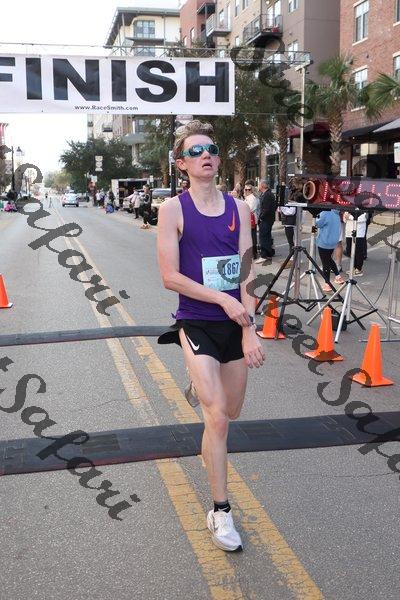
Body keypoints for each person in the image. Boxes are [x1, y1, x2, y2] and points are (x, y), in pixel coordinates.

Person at [157, 119, 265, 552]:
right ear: (182, 164)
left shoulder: (238, 208)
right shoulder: (173, 210)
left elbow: (247, 272)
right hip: (197, 320)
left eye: (212, 150)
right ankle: (221, 511)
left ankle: (201, 383)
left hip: (235, 324)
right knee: (217, 416)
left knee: (231, 410)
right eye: (195, 151)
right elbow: (169, 276)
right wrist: (222, 300)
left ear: (219, 160)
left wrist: (249, 329)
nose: (206, 155)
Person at [316, 209, 345, 292]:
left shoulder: (324, 213)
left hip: (324, 241)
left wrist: (316, 217)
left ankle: (327, 284)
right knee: (328, 259)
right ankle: (338, 276)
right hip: (333, 241)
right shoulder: (336, 214)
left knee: (325, 263)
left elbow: (318, 224)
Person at [255, 180, 276, 265]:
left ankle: (263, 255)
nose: (258, 186)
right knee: (266, 237)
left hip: (266, 220)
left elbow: (266, 209)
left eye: (259, 184)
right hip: (267, 219)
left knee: (263, 237)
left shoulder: (268, 195)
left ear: (263, 186)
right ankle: (268, 254)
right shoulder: (265, 194)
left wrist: (260, 218)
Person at [343, 211, 367, 276]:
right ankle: (353, 267)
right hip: (349, 233)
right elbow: (345, 220)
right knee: (350, 250)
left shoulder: (363, 210)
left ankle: (359, 269)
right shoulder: (348, 209)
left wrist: (350, 217)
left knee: (358, 251)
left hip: (359, 233)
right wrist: (347, 217)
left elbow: (362, 219)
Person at [243, 182, 259, 260]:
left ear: (251, 190)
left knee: (252, 236)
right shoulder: (247, 197)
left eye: (248, 189)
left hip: (251, 219)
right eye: (245, 189)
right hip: (248, 218)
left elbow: (250, 208)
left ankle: (253, 253)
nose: (247, 191)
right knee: (250, 236)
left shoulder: (252, 198)